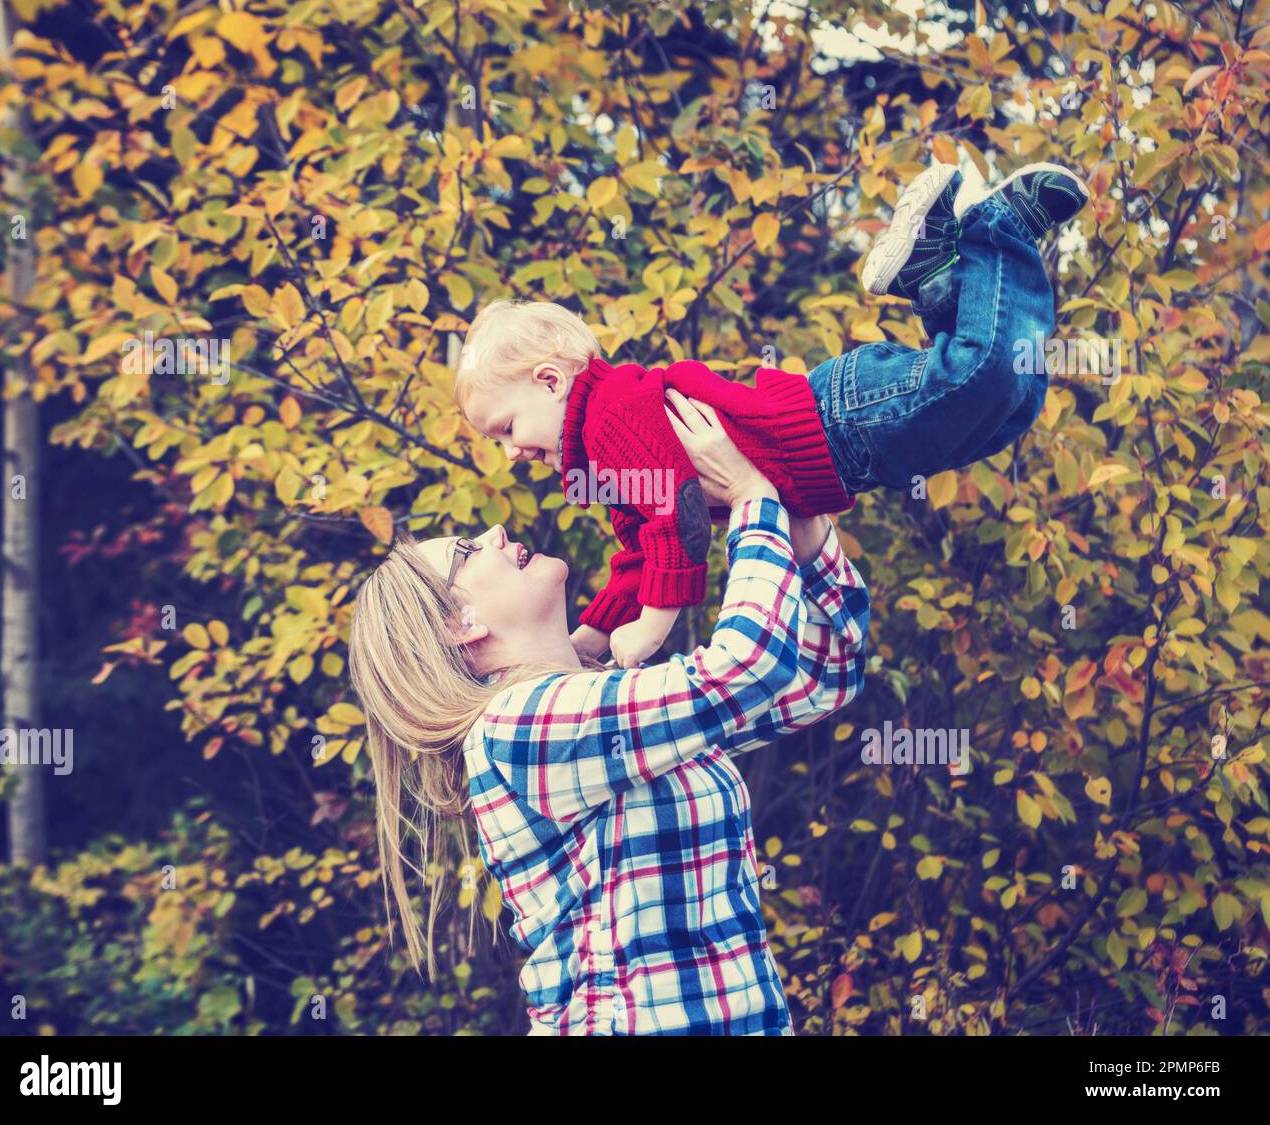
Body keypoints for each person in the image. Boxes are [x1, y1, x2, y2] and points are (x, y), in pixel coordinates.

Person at [348, 391, 870, 1034]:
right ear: (460, 625)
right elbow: (746, 666)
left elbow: (824, 678)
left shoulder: (596, 700)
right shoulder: (517, 730)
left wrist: (806, 534)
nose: (493, 533)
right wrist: (750, 497)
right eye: (465, 553)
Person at [451, 161, 1088, 666]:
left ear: (549, 380)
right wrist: (595, 629)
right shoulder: (601, 452)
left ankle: (994, 227)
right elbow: (641, 551)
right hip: (847, 449)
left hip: (835, 421)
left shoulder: (611, 413)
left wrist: (652, 625)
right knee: (1008, 409)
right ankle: (935, 272)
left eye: (505, 428)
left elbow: (681, 514)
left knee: (981, 378)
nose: (508, 452)